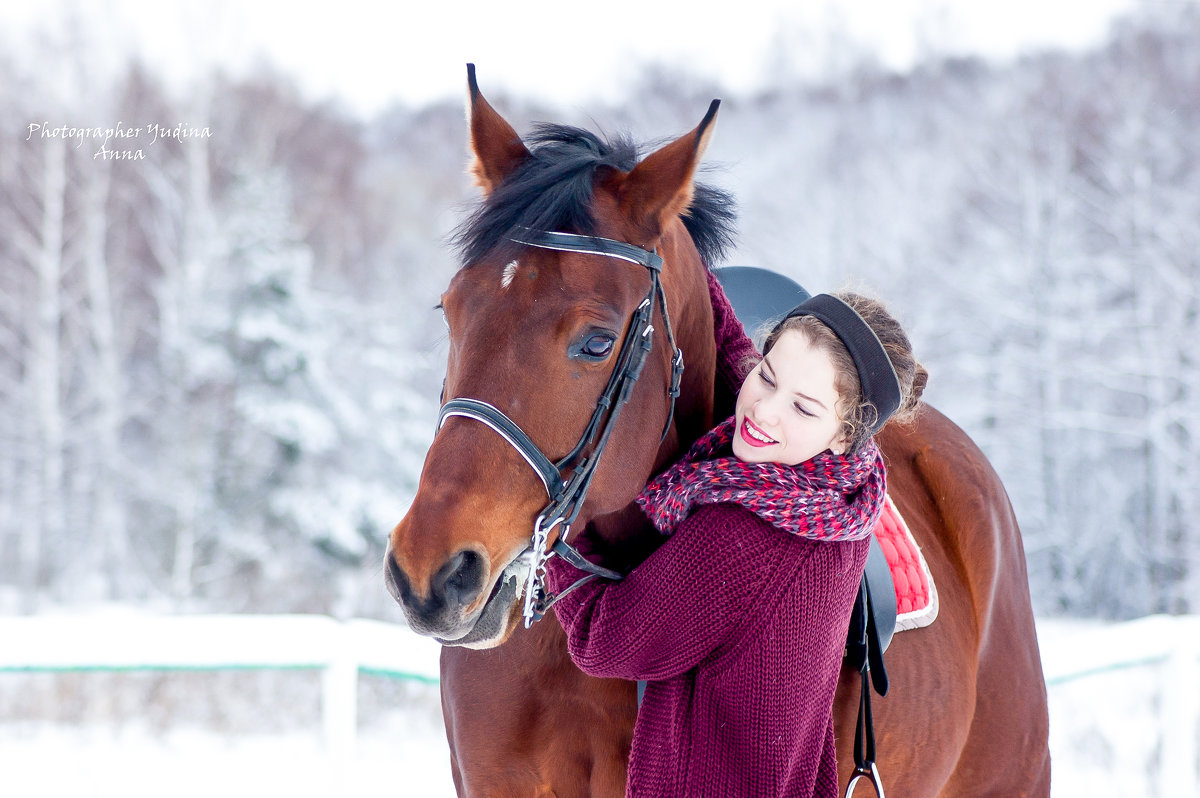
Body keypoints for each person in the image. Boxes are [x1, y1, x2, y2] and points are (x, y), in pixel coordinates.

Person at [544, 270, 927, 798]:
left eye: (802, 407)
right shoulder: (841, 497)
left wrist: (556, 525)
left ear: (845, 434)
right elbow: (728, 351)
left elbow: (603, 639)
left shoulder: (743, 533)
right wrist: (676, 255)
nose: (764, 410)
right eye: (767, 376)